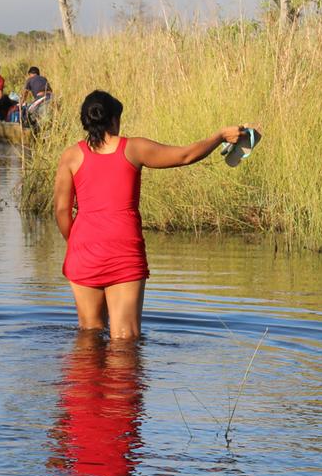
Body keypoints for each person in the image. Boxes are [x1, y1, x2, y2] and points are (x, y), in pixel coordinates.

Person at [53, 90, 255, 340]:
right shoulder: (133, 149)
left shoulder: (71, 156)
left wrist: (76, 244)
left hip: (83, 250)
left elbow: (62, 210)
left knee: (89, 336)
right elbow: (185, 155)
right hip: (122, 251)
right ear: (115, 120)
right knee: (125, 340)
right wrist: (220, 136)